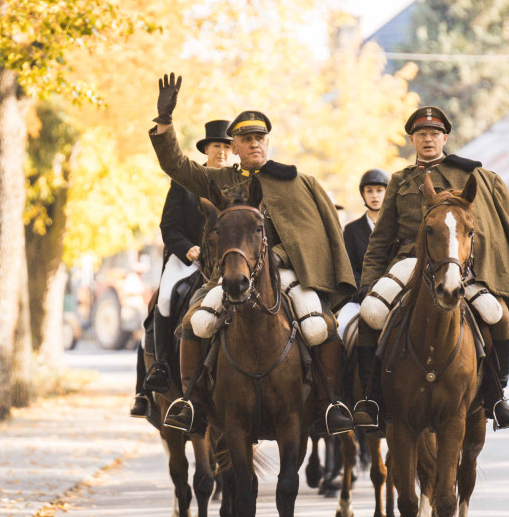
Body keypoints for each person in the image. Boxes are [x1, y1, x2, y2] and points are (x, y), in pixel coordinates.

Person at [147, 73, 358, 436]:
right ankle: (191, 404)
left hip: (288, 275)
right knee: (195, 323)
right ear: (235, 145)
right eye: (246, 139)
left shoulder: (297, 182)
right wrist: (165, 122)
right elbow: (177, 166)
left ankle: (331, 403)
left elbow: (313, 236)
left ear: (267, 142)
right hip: (232, 274)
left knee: (319, 325)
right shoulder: (222, 180)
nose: (255, 143)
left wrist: (276, 256)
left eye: (260, 138)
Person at [356, 106, 509, 430]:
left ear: (445, 138)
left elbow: (488, 231)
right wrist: (368, 282)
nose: (428, 140)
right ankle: (371, 400)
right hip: (409, 262)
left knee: (498, 315)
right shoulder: (401, 180)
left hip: (458, 265)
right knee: (371, 313)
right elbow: (381, 238)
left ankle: (497, 397)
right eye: (421, 134)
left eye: (434, 134)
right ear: (412, 140)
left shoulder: (472, 178)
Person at [130, 119, 233, 418]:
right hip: (188, 258)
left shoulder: (238, 182)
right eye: (217, 146)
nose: (223, 152)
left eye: (227, 146)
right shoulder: (184, 181)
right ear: (207, 149)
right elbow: (169, 225)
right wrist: (188, 248)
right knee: (164, 299)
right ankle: (160, 367)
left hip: (226, 262)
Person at [342, 169, 389, 290]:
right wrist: (363, 291)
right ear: (363, 194)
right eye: (369, 191)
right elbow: (350, 268)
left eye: (379, 190)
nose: (374, 195)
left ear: (387, 192)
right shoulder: (351, 230)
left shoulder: (397, 227)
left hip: (392, 292)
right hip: (360, 293)